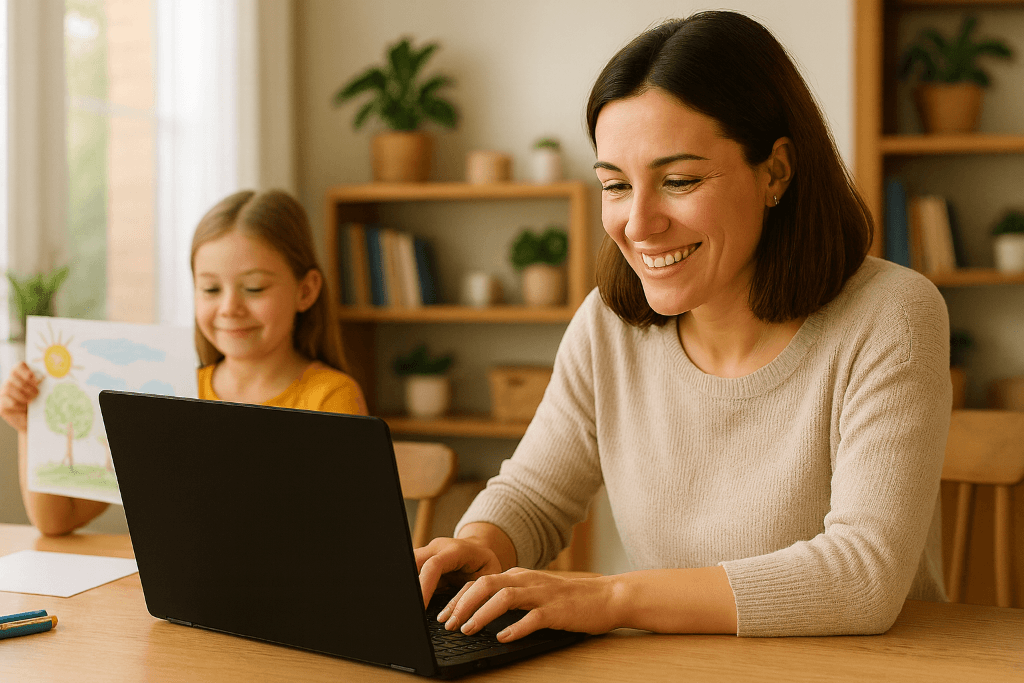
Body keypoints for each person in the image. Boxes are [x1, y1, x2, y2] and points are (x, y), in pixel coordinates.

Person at [415, 11, 951, 641]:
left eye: (679, 181)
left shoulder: (891, 315)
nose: (637, 225)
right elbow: (534, 495)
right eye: (615, 185)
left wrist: (613, 598)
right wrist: (482, 544)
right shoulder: (607, 327)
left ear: (776, 171)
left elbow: (863, 577)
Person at [0, 189, 367, 536]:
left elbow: (343, 535)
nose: (229, 308)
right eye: (210, 289)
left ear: (306, 290)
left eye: (254, 288)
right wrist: (31, 428)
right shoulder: (171, 395)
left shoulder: (331, 398)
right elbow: (57, 520)